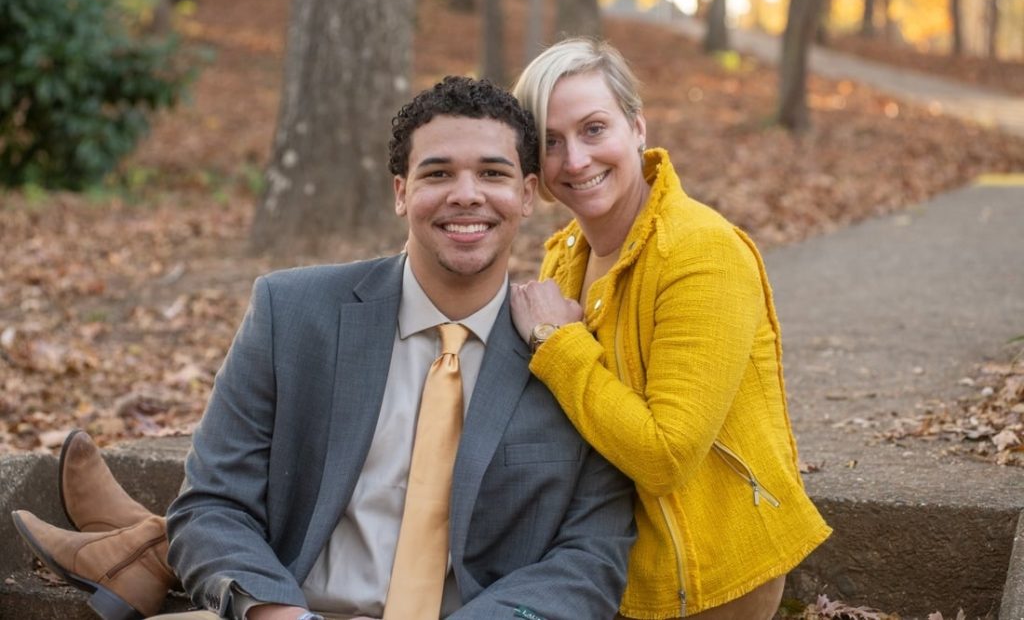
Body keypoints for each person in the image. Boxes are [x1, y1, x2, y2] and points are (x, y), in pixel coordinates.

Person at [11, 76, 636, 620]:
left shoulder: (568, 351)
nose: (466, 194)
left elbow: (592, 554)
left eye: (492, 174)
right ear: (400, 192)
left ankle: (130, 555)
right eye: (438, 173)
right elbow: (212, 505)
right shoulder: (294, 313)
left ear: (528, 195)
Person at [509, 38, 832, 620]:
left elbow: (666, 456)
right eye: (550, 142)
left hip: (705, 576)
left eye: (593, 129)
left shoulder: (701, 252)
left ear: (637, 127)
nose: (575, 160)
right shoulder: (565, 255)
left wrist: (557, 345)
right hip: (604, 558)